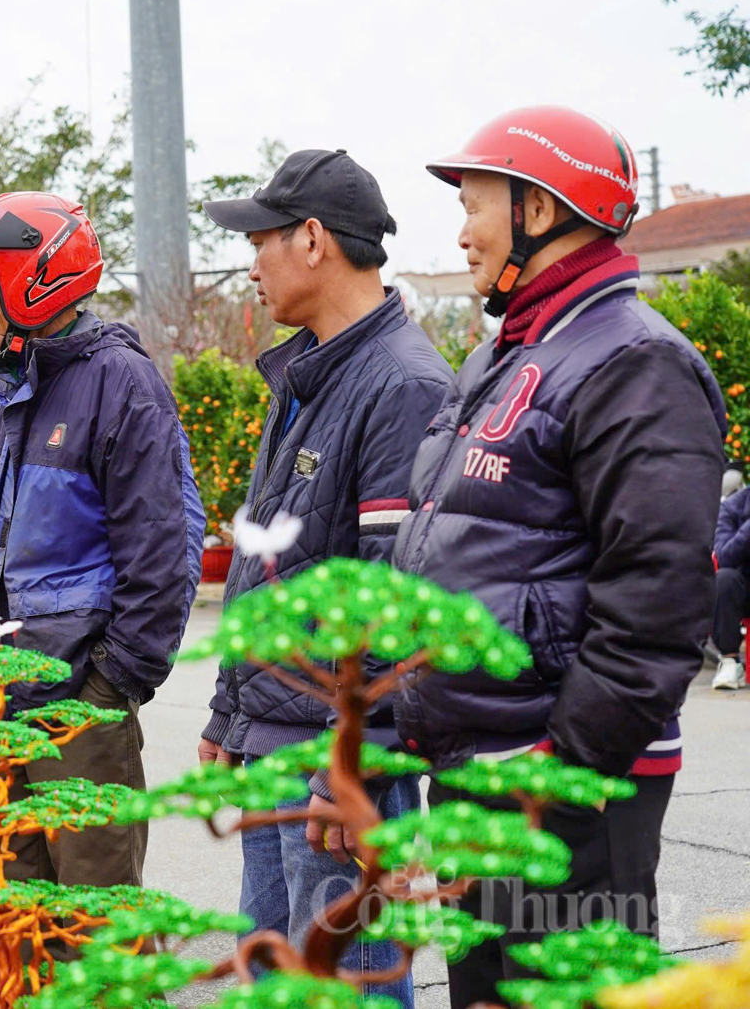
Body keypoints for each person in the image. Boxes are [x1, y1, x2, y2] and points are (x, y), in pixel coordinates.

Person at [390, 106, 727, 1009]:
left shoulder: (635, 361)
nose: (460, 232)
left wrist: (558, 771)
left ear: (539, 210)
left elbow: (655, 606)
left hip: (565, 782)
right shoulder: (510, 352)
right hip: (479, 773)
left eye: (476, 204)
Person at [199, 150, 453, 1008]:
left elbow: (400, 597)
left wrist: (354, 769)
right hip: (278, 742)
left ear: (313, 239)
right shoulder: (304, 374)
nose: (252, 264)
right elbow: (273, 561)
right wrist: (230, 708)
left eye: (261, 241)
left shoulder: (403, 385)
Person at [0, 188, 206, 896]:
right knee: (7, 923)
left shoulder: (119, 383)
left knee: (92, 930)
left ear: (31, 280)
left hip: (77, 710)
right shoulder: (3, 393)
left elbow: (164, 550)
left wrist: (110, 683)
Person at [712, 482, 750, 689]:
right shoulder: (732, 506)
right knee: (725, 579)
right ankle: (730, 661)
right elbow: (723, 556)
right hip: (745, 590)